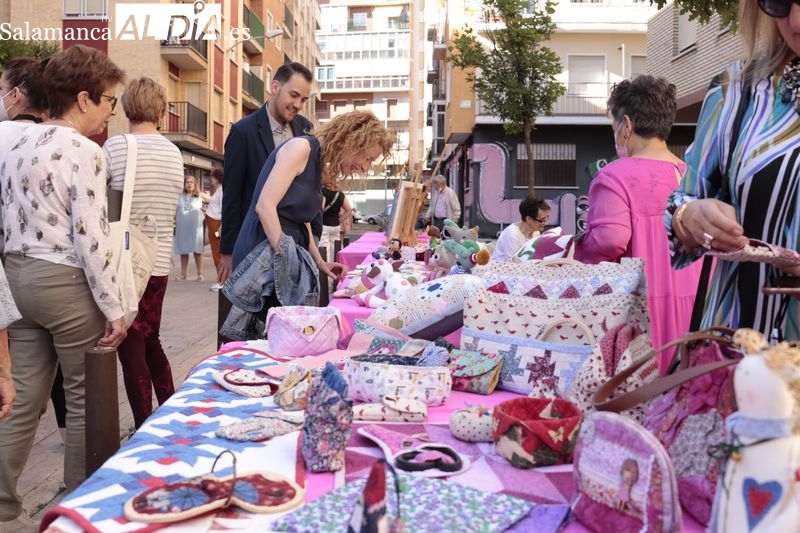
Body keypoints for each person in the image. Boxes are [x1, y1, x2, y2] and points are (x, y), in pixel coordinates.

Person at [0, 45, 126, 527]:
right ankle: (79, 507)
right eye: (109, 100)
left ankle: (4, 506)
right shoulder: (83, 151)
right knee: (86, 397)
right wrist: (113, 306)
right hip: (67, 280)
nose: (110, 109)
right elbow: (90, 237)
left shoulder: (14, 144)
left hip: (17, 278)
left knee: (23, 394)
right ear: (83, 97)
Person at [665, 0, 800, 341]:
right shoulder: (736, 91)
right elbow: (686, 199)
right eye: (780, 2)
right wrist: (689, 216)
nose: (796, 21)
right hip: (741, 348)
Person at [574, 75, 702, 367]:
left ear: (626, 125)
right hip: (696, 305)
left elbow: (610, 239)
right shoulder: (691, 175)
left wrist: (579, 247)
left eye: (614, 127)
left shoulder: (615, 175)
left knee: (640, 390)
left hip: (645, 307)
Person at [231, 109, 395, 315]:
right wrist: (289, 257)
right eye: (368, 158)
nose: (365, 167)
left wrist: (319, 262)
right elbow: (265, 206)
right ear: (354, 142)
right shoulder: (301, 148)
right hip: (261, 256)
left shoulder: (318, 161)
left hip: (281, 254)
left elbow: (302, 220)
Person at [104, 77, 184, 429]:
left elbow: (106, 207)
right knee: (150, 336)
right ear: (161, 110)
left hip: (125, 259)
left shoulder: (115, 147)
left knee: (130, 345)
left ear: (125, 106)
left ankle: (145, 424)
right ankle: (170, 408)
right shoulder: (174, 153)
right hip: (158, 257)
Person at [219, 62, 314, 284]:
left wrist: (313, 237)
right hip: (254, 246)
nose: (298, 104)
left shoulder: (305, 129)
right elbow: (231, 196)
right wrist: (228, 251)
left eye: (303, 99)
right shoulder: (243, 132)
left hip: (296, 246)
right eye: (294, 95)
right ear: (274, 87)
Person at [491, 196, 549, 261]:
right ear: (528, 219)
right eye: (542, 220)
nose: (546, 223)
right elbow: (514, 265)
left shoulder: (536, 232)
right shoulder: (512, 235)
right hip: (501, 269)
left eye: (546, 219)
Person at [174, 176, 206, 281]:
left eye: (192, 182)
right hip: (183, 228)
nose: (189, 184)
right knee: (184, 251)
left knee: (198, 252)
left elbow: (215, 203)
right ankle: (183, 274)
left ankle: (200, 274)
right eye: (187, 182)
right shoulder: (179, 197)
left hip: (196, 228)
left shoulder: (199, 196)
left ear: (195, 184)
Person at [319, 186, 354, 262]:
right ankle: (335, 270)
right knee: (335, 250)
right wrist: (338, 220)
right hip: (335, 226)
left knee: (324, 251)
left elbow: (320, 210)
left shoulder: (322, 191)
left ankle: (325, 273)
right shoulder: (340, 193)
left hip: (323, 225)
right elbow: (349, 210)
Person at [206, 168, 224, 290]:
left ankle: (222, 279)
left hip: (216, 223)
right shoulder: (219, 190)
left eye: (213, 177)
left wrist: (221, 226)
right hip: (213, 220)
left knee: (217, 251)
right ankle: (221, 278)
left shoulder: (221, 191)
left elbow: (223, 209)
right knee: (215, 250)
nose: (211, 179)